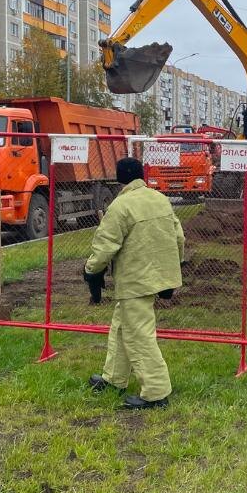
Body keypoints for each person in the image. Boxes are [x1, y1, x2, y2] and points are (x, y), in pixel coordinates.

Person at [84, 157, 185, 409]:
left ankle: (156, 392)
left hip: (134, 280)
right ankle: (114, 378)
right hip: (156, 276)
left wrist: (91, 271)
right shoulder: (159, 199)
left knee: (138, 334)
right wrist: (173, 268)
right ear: (141, 174)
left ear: (119, 179)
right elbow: (179, 237)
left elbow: (105, 244)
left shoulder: (121, 206)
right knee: (122, 326)